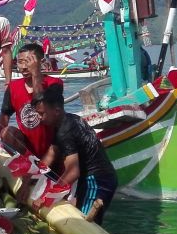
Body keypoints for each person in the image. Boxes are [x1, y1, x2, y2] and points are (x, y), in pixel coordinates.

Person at [34, 88, 118, 224]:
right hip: (92, 178)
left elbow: (73, 171)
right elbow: (51, 153)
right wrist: (31, 176)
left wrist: (45, 197)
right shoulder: (68, 120)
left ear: (56, 111)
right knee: (80, 215)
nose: (39, 117)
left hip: (97, 180)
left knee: (85, 224)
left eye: (42, 113)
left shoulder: (64, 131)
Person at [0, 42, 63, 161]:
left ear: (40, 62)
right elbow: (3, 120)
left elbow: (40, 105)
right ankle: (30, 164)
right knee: (6, 132)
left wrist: (36, 73)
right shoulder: (13, 87)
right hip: (27, 148)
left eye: (28, 62)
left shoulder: (55, 83)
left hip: (53, 146)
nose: (24, 67)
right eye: (20, 62)